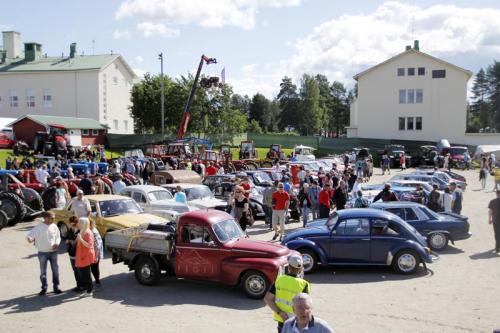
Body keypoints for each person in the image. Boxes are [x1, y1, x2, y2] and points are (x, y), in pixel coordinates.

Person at [264, 255, 310, 333]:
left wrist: (279, 312)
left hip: (281, 319)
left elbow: (267, 298)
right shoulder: (304, 284)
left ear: (288, 267)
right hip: (296, 321)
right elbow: (305, 306)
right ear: (300, 269)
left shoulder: (279, 280)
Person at [26, 211, 62, 295]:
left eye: (53, 218)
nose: (53, 219)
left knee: (55, 270)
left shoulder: (54, 226)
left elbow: (58, 237)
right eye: (51, 218)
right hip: (42, 253)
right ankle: (44, 288)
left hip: (53, 252)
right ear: (46, 218)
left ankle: (56, 287)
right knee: (43, 272)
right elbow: (30, 236)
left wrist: (57, 243)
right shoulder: (39, 227)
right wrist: (30, 239)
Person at [75, 217, 96, 297]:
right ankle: (88, 289)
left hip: (86, 255)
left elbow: (89, 245)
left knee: (86, 274)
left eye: (79, 222)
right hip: (82, 255)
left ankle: (89, 291)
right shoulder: (82, 231)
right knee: (84, 273)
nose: (78, 224)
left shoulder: (87, 232)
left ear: (83, 224)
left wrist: (80, 239)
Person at [65, 216, 83, 292]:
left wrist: (70, 241)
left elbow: (76, 242)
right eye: (72, 223)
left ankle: (84, 285)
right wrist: (68, 241)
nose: (73, 225)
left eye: (75, 223)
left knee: (80, 270)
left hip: (78, 253)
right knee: (75, 270)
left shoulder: (80, 231)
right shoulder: (70, 230)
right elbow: (68, 239)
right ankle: (79, 285)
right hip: (71, 253)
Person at [90, 219, 104, 290]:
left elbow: (98, 245)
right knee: (94, 268)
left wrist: (96, 256)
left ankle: (97, 282)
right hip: (94, 253)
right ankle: (96, 281)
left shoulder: (93, 232)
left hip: (95, 254)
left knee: (94, 268)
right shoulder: (93, 230)